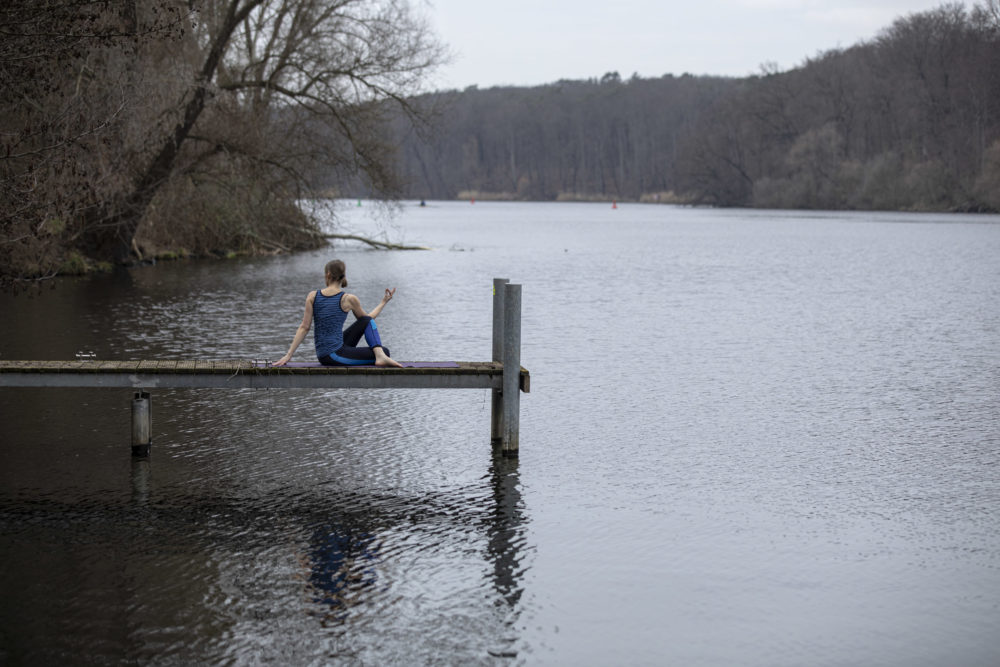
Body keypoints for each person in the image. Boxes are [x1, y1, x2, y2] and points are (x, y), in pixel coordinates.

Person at [273, 259, 403, 368]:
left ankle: (380, 356)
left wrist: (288, 355)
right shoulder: (349, 299)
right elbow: (370, 319)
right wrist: (383, 302)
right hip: (333, 356)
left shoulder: (312, 296)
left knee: (366, 321)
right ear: (342, 276)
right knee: (385, 351)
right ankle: (380, 355)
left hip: (325, 353)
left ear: (328, 275)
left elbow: (304, 327)